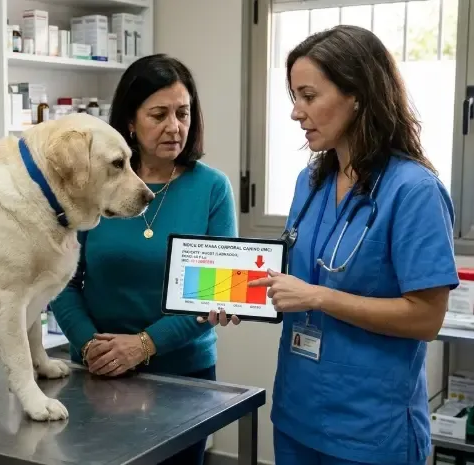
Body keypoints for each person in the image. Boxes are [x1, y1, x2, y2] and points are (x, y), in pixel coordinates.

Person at [203, 25, 459, 465]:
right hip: (298, 413)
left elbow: (427, 318)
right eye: (293, 98)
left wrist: (319, 297)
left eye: (308, 95)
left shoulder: (414, 190)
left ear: (357, 94)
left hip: (369, 428)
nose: (296, 113)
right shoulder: (311, 181)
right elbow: (299, 281)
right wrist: (235, 297)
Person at [49, 53, 238, 465]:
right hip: (96, 370)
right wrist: (89, 346)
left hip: (183, 377)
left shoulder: (212, 189)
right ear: (130, 122)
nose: (175, 127)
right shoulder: (91, 184)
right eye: (159, 114)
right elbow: (61, 279)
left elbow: (214, 295)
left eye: (183, 113)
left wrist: (143, 345)